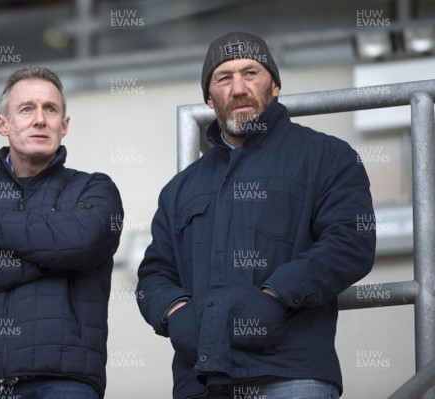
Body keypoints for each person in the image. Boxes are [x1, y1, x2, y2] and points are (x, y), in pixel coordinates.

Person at [136, 31, 376, 399]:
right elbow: (154, 273)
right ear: (209, 97)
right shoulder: (181, 188)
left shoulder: (327, 157)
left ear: (275, 85)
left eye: (251, 73)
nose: (238, 88)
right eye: (224, 78)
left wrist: (276, 295)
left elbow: (350, 241)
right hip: (199, 381)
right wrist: (174, 312)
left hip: (292, 373)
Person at [0, 66, 123, 399]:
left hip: (64, 382)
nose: (40, 119)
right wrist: (52, 258)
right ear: (3, 125)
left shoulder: (93, 189)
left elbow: (84, 240)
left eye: (51, 109)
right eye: (26, 109)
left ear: (64, 125)